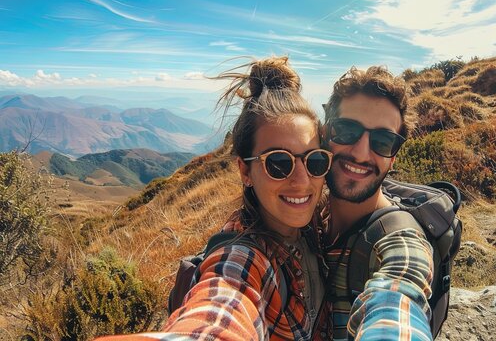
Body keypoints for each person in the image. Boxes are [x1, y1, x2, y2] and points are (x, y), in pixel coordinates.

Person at [96, 56, 332, 340]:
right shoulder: (242, 258)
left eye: (314, 161)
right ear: (245, 171)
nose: (302, 180)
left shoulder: (323, 225)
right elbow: (220, 312)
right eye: (279, 163)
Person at [319, 66, 434, 340]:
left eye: (383, 141)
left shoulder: (402, 240)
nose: (360, 153)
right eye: (347, 130)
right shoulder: (308, 212)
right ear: (326, 134)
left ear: (393, 156)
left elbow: (401, 288)